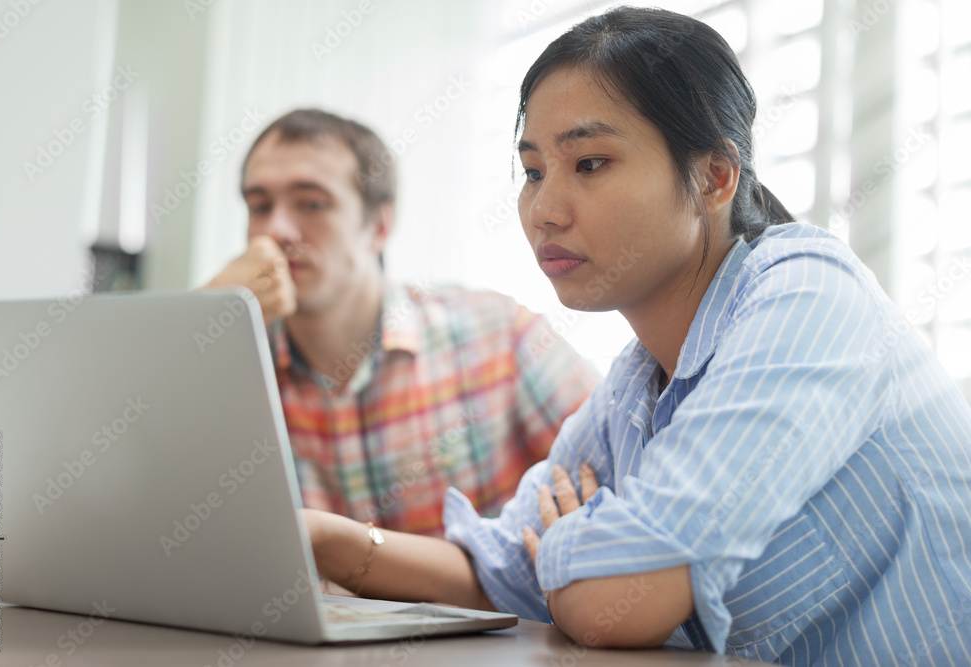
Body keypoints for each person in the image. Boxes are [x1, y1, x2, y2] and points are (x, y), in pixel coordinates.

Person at [297, 7, 971, 665]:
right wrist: (324, 539)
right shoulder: (636, 381)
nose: (544, 212)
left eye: (589, 163)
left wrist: (565, 552)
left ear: (715, 175)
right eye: (534, 172)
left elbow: (616, 604)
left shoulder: (807, 293)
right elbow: (496, 568)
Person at [205, 109, 600, 537]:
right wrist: (206, 323)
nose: (276, 231)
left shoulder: (499, 333)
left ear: (379, 225)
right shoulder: (225, 367)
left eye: (311, 203)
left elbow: (622, 483)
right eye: (259, 206)